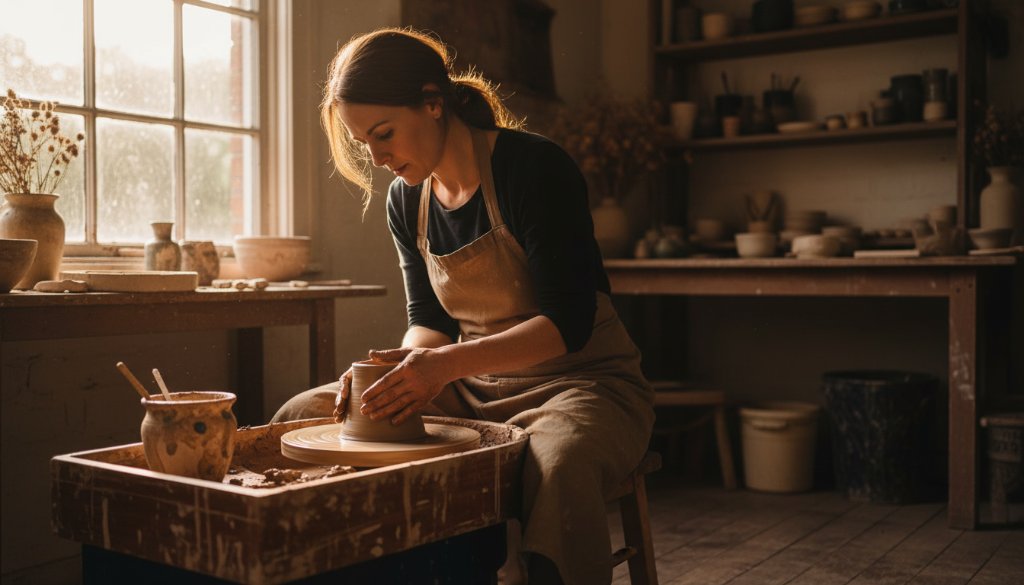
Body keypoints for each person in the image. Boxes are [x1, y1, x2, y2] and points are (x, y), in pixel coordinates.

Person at [271, 27, 654, 585]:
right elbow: (428, 322)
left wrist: (442, 366)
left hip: (582, 383)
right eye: (363, 144)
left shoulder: (534, 168)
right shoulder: (407, 198)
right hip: (473, 386)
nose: (377, 158)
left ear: (432, 103)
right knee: (302, 417)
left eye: (384, 134)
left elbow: (567, 324)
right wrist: (397, 372)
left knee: (559, 464)